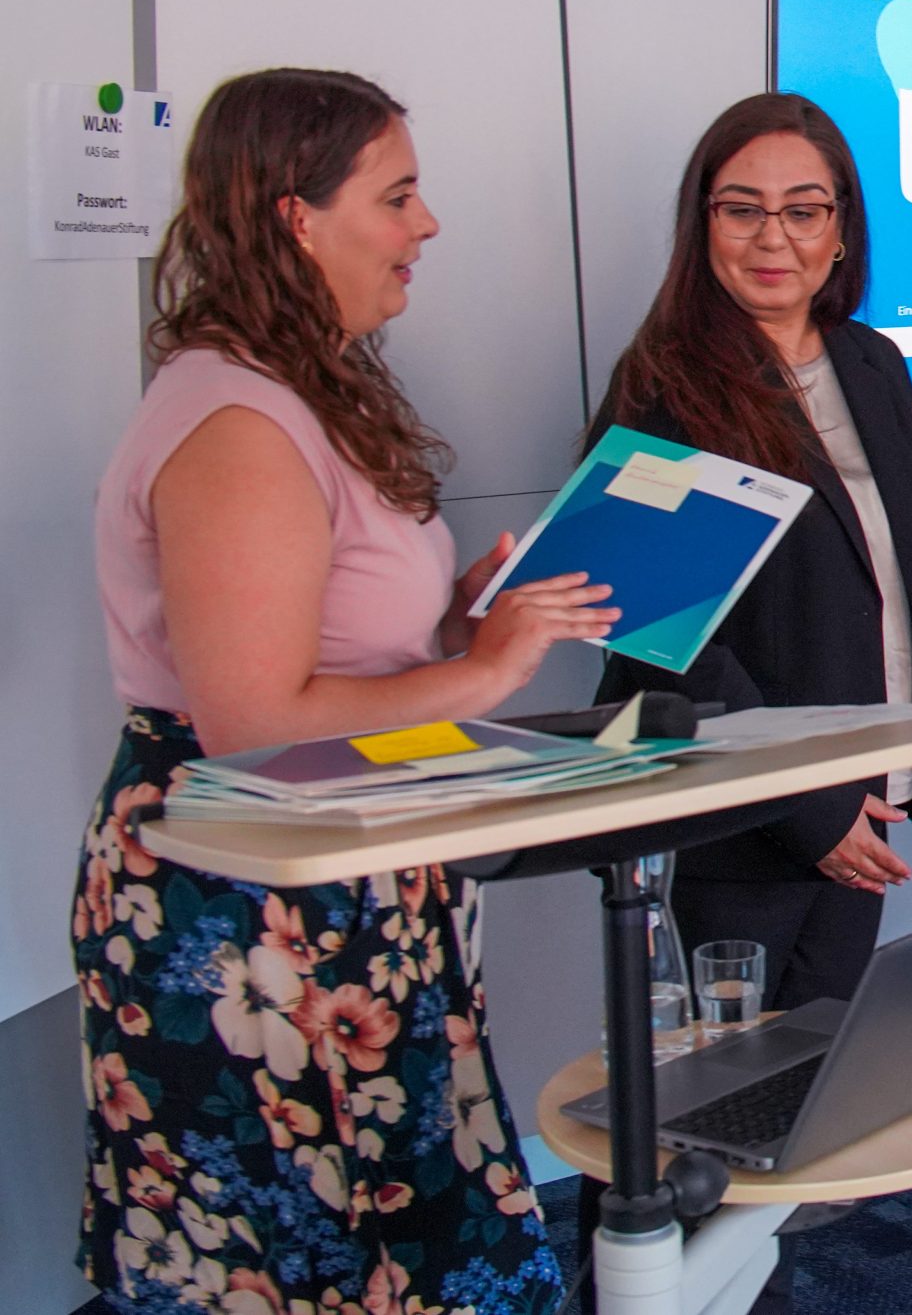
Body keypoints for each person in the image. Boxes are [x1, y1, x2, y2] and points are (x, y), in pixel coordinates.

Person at [76, 67, 619, 1315]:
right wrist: (482, 670)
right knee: (304, 1263)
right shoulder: (237, 425)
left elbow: (335, 651)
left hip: (345, 877)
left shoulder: (296, 389)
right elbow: (252, 721)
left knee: (394, 1246)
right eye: (398, 195)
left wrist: (454, 626)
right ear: (297, 220)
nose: (427, 224)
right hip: (250, 907)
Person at [591, 92, 912, 1012]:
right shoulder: (664, 386)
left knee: (812, 1070)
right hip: (743, 822)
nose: (772, 238)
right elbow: (659, 636)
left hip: (867, 784)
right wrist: (811, 803)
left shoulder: (871, 362)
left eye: (803, 210)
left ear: (841, 229)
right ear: (703, 226)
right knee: (720, 1084)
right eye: (742, 209)